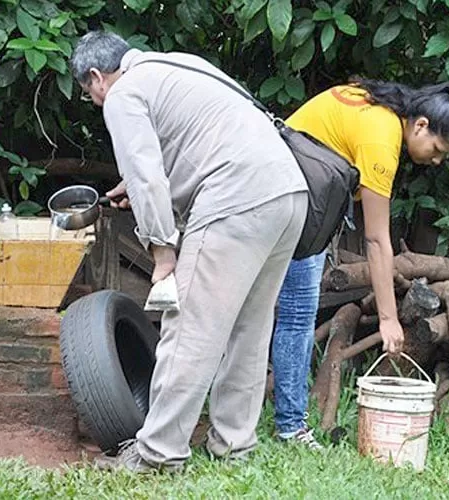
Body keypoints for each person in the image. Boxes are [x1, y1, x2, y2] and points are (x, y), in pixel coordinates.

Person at [70, 31, 308, 472]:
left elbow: (146, 177)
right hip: (288, 193)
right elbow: (194, 145)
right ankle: (234, 445)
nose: (96, 101)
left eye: (89, 94)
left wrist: (163, 254)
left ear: (97, 77)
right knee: (249, 331)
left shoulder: (123, 94)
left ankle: (158, 453)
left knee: (190, 329)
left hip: (236, 199)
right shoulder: (175, 64)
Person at [271, 79, 449, 447]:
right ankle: (291, 427)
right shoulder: (381, 139)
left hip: (276, 190)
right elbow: (378, 240)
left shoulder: (373, 101)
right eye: (437, 149)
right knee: (298, 316)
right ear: (421, 125)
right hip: (289, 203)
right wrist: (387, 319)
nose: (437, 159)